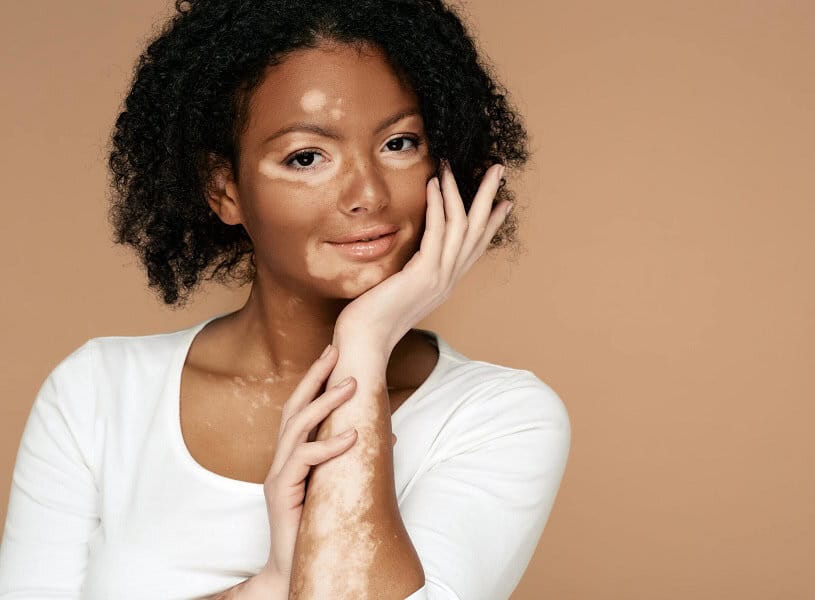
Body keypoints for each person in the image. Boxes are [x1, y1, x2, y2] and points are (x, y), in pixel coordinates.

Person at [0, 0, 571, 598]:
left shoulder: (499, 419)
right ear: (225, 191)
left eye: (400, 144)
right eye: (306, 157)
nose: (369, 194)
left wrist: (364, 343)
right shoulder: (97, 395)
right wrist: (271, 583)